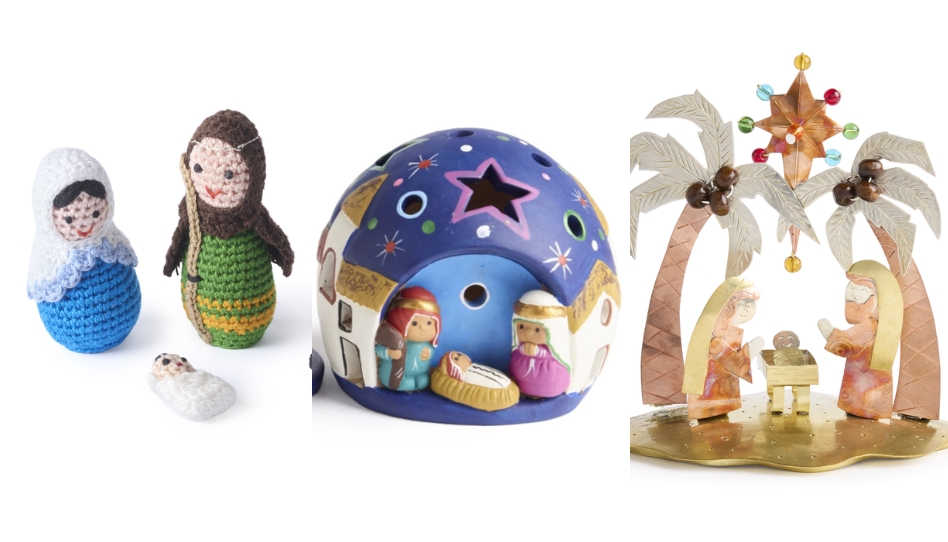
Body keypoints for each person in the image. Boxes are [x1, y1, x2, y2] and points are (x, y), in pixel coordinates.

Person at [818, 261, 903, 419]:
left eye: (861, 291)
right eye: (852, 290)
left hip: (865, 390)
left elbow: (846, 345)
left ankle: (864, 416)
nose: (855, 295)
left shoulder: (870, 325)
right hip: (866, 381)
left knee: (861, 409)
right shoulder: (877, 323)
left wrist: (827, 330)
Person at [682, 278, 764, 419]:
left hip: (722, 396)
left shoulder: (730, 332)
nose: (747, 310)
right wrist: (753, 348)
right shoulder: (715, 337)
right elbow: (736, 366)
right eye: (743, 304)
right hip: (709, 401)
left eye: (751, 305)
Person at [375, 286, 440, 391]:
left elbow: (431, 352)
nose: (423, 328)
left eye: (429, 323)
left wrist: (428, 352)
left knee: (424, 381)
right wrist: (389, 353)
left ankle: (418, 378)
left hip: (421, 372)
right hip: (399, 376)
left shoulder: (426, 344)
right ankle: (404, 381)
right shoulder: (395, 341)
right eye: (414, 323)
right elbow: (378, 349)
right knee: (407, 384)